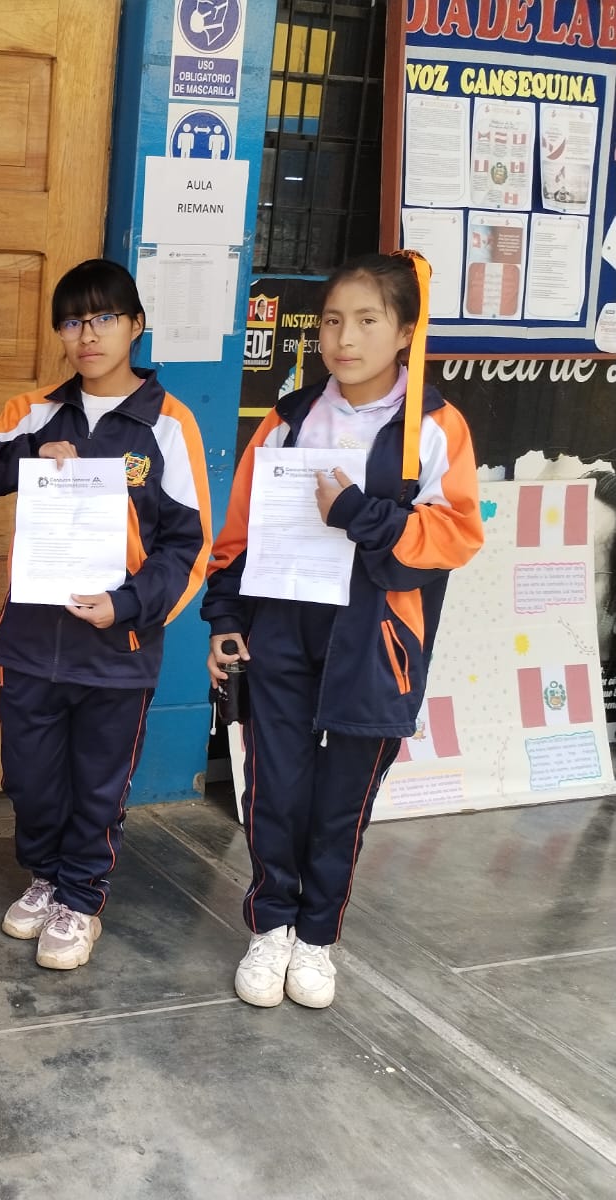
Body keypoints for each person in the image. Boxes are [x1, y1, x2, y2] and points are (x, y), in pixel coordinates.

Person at [203, 251, 483, 1009]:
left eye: (365, 321)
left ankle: (317, 938)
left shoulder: (434, 426)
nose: (342, 338)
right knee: (274, 789)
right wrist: (226, 617)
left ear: (404, 333)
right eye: (331, 320)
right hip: (281, 631)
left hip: (375, 643)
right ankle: (270, 927)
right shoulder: (289, 418)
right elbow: (237, 534)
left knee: (341, 802)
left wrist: (359, 512)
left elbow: (455, 535)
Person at [0, 259, 211, 970]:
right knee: (29, 779)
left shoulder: (167, 424)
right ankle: (44, 876)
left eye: (101, 318)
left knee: (97, 784)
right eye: (71, 320)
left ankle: (81, 898)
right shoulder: (36, 409)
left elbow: (188, 549)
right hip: (31, 645)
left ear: (135, 326)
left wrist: (124, 606)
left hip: (115, 653)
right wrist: (31, 451)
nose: (85, 334)